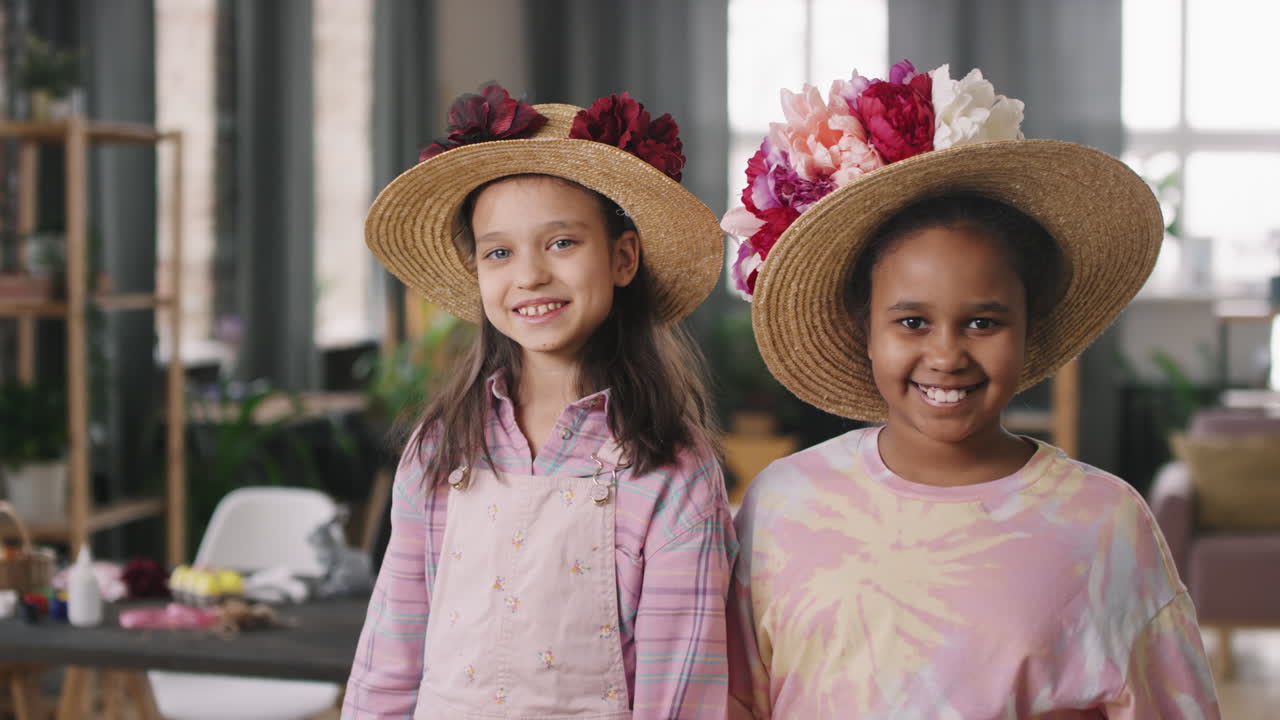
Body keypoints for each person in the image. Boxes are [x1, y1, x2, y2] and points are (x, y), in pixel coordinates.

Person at [721, 61, 1221, 718]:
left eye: (983, 322)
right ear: (863, 330)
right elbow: (736, 700)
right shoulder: (781, 507)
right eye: (911, 322)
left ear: (1029, 329)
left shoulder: (1105, 523)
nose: (947, 354)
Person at [344, 83, 736, 719]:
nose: (529, 275)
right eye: (499, 252)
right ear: (478, 272)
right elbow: (390, 658)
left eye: (561, 243)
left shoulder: (672, 472)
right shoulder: (442, 447)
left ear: (623, 257)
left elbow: (679, 695)